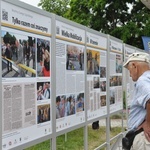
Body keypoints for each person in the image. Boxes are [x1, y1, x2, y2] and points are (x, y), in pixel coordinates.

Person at [123, 52, 150, 150]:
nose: (130, 75)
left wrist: (148, 123)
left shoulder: (142, 80)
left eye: (129, 70)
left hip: (144, 138)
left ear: (135, 66)